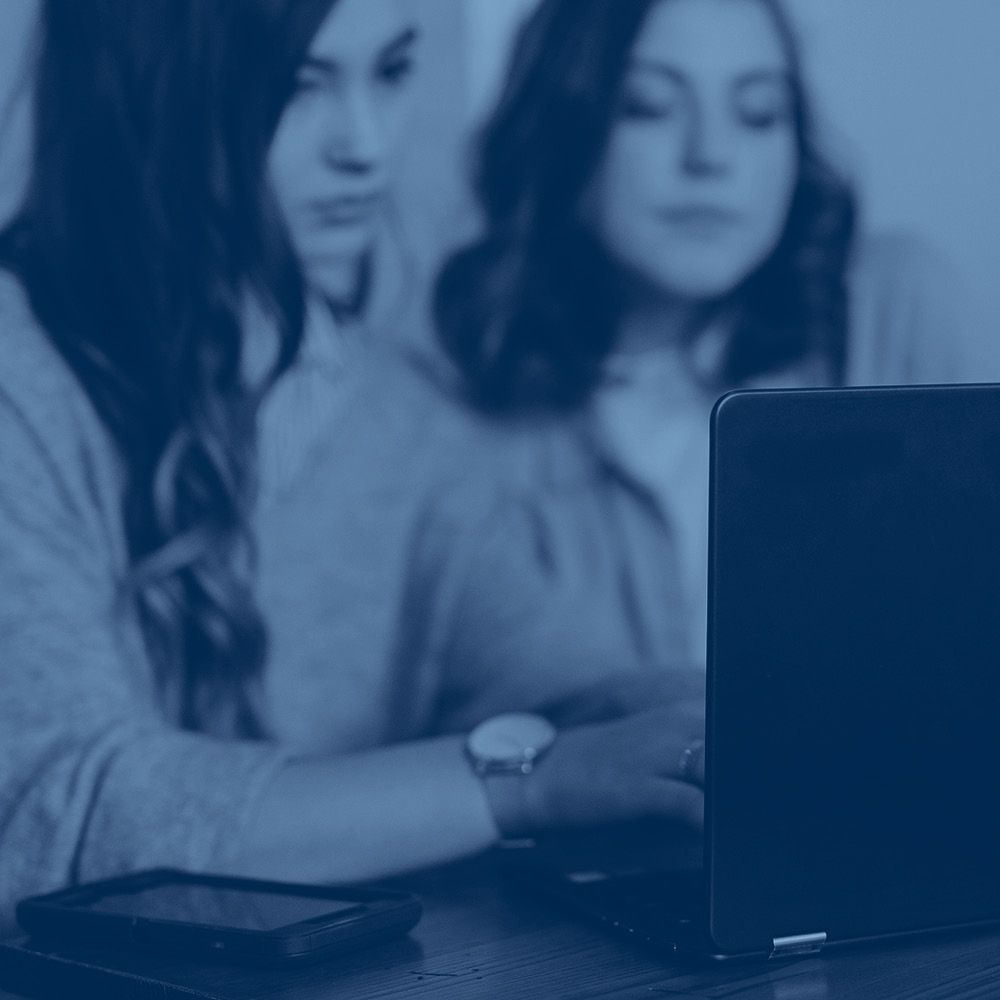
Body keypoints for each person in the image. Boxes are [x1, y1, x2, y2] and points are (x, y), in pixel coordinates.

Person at [0, 0, 706, 933]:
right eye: (302, 85)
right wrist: (524, 783)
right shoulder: (23, 381)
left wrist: (740, 716)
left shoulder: (395, 411)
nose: (366, 146)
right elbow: (56, 814)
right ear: (149, 91)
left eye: (393, 71)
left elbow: (567, 680)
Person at [432, 0, 985, 718]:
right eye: (648, 106)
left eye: (759, 114)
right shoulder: (462, 415)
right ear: (561, 125)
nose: (710, 157)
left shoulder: (894, 308)